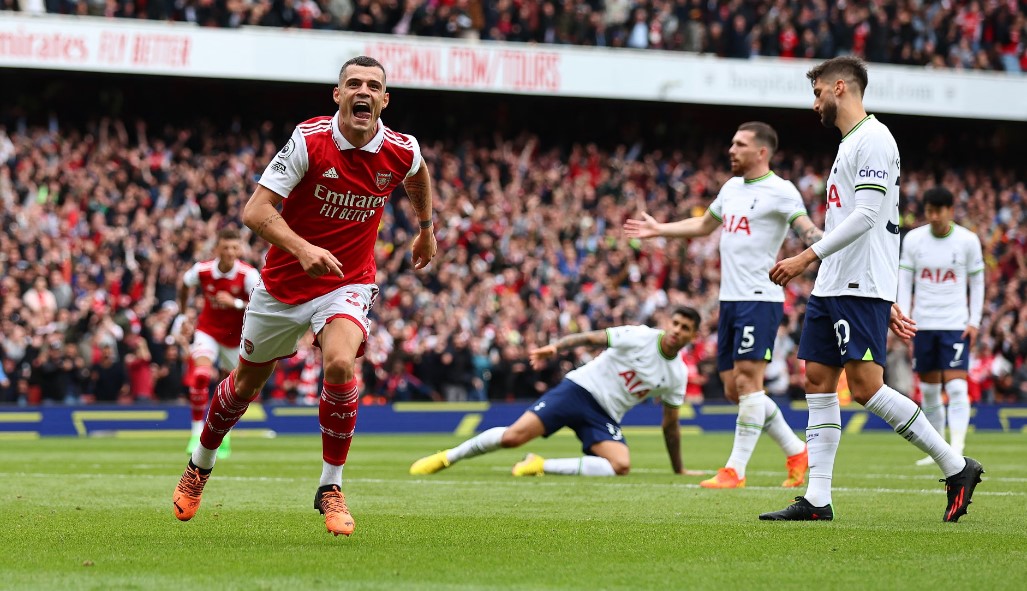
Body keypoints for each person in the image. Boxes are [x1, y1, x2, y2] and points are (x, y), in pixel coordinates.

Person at [172, 56, 438, 537]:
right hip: (283, 286)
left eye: (372, 86)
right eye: (352, 83)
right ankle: (200, 464)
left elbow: (418, 174)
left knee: (340, 364)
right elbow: (256, 211)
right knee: (245, 386)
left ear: (384, 99)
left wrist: (425, 228)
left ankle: (330, 487)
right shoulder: (309, 140)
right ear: (337, 95)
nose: (363, 91)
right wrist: (303, 248)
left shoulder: (402, 148)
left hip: (347, 281)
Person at [760, 56, 983, 522]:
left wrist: (807, 257)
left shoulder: (875, 139)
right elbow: (869, 223)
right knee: (818, 382)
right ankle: (817, 499)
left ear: (840, 87)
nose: (814, 102)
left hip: (856, 282)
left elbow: (867, 217)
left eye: (818, 91)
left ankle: (956, 465)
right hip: (836, 281)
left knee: (865, 388)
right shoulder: (850, 143)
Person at [624, 122, 822, 489]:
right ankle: (797, 451)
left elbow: (806, 229)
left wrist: (820, 247)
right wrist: (660, 230)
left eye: (740, 144)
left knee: (749, 382)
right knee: (735, 390)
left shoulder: (781, 191)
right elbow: (703, 226)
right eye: (731, 142)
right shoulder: (731, 188)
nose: (731, 149)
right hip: (729, 301)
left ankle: (735, 470)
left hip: (760, 299)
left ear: (761, 152)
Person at [409, 307, 701, 479]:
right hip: (578, 389)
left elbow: (670, 425)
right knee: (513, 437)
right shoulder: (640, 336)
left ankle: (539, 464)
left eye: (685, 328)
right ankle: (449, 456)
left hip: (605, 414)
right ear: (668, 323)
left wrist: (680, 470)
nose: (677, 330)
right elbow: (592, 337)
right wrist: (557, 348)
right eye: (675, 323)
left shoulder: (677, 375)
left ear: (693, 336)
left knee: (620, 465)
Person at [897, 187, 985, 466]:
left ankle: (956, 447)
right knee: (930, 391)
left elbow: (978, 282)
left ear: (950, 210)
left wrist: (975, 320)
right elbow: (905, 281)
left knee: (957, 388)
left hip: (954, 325)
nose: (933, 216)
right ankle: (938, 449)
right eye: (929, 210)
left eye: (939, 210)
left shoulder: (968, 241)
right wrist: (904, 317)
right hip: (923, 324)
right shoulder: (913, 239)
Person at [177, 227, 260, 458]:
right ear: (217, 249)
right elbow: (184, 285)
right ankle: (195, 433)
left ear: (239, 249)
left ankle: (224, 436)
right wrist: (183, 316)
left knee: (231, 391)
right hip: (208, 330)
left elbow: (259, 304)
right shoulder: (202, 270)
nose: (230, 252)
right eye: (225, 247)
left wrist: (234, 303)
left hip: (235, 338)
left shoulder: (248, 274)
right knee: (201, 375)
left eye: (234, 247)